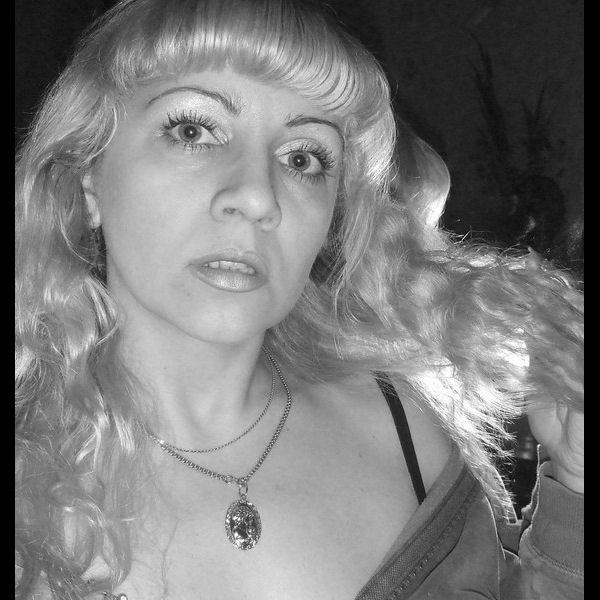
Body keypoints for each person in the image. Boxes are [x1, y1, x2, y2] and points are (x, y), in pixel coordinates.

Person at [15, 0, 583, 598]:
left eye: (303, 158)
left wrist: (574, 485)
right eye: (192, 131)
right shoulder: (31, 502)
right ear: (88, 180)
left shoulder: (406, 427)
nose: (258, 196)